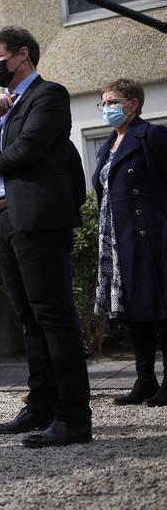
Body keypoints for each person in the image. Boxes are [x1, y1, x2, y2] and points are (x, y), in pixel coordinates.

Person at [0, 26, 92, 448]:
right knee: (28, 317)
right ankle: (41, 406)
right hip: (3, 220)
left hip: (36, 218)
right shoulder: (5, 108)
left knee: (53, 314)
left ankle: (74, 417)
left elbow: (27, 151)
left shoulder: (49, 95)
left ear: (23, 55)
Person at [91, 78, 167, 407]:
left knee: (161, 310)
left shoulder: (152, 136)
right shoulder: (109, 144)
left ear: (132, 104)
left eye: (112, 102)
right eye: (103, 103)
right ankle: (145, 380)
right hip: (117, 240)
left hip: (150, 237)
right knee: (135, 311)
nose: (106, 108)